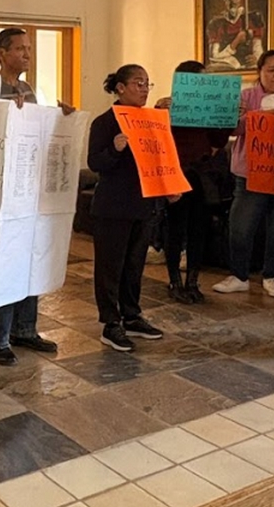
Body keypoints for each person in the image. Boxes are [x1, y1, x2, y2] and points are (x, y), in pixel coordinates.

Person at [0, 28, 65, 366]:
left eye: (29, 48)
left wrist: (62, 118)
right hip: (2, 188)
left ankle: (25, 329)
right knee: (5, 260)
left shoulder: (30, 90)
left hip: (31, 187)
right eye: (19, 49)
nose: (27, 54)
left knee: (30, 256)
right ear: (1, 53)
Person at [214, 50, 274, 299]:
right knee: (241, 226)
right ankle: (239, 275)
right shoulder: (246, 97)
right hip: (250, 173)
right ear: (260, 71)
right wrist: (255, 118)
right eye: (271, 70)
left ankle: (272, 276)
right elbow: (233, 130)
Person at [87, 65, 169, 352]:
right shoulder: (104, 123)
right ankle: (111, 324)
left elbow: (161, 158)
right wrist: (115, 149)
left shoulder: (152, 121)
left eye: (147, 83)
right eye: (138, 83)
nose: (145, 89)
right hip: (113, 207)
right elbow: (96, 163)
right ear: (120, 88)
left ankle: (132, 316)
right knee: (111, 267)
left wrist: (169, 188)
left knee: (134, 266)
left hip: (143, 204)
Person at [154, 61, 233, 303]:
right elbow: (155, 136)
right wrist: (158, 111)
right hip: (176, 172)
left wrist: (227, 114)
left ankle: (193, 281)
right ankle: (174, 280)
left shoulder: (208, 106)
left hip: (202, 174)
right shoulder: (168, 106)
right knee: (175, 228)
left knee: (199, 228)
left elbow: (219, 140)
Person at [206, 0, 265, 71]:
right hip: (227, 67)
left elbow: (258, 50)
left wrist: (257, 59)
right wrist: (236, 41)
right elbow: (214, 56)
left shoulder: (253, 19)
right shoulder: (216, 24)